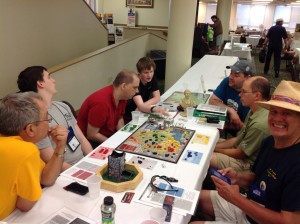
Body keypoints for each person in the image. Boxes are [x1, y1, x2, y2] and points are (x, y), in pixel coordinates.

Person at [190, 80, 300, 224]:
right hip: (249, 207)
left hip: (254, 214)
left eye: (286, 113)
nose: (277, 118)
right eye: (273, 111)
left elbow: (288, 221)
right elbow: (256, 178)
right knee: (194, 199)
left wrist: (236, 199)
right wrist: (238, 177)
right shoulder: (269, 142)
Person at [0, 92, 67, 219]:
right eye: (47, 118)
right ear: (30, 129)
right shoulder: (25, 151)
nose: (50, 123)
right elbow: (25, 205)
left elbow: (46, 178)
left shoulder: (14, 144)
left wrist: (60, 146)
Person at [17, 66, 93, 171]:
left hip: (84, 163)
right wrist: (79, 173)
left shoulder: (63, 106)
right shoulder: (36, 119)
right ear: (40, 83)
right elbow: (50, 160)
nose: (54, 80)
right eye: (49, 77)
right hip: (65, 173)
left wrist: (93, 160)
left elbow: (82, 139)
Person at [210, 76, 270, 171]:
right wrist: (211, 146)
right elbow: (239, 139)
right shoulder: (254, 110)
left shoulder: (259, 124)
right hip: (240, 150)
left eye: (244, 92)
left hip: (247, 164)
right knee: (208, 140)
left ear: (257, 95)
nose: (239, 95)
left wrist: (210, 149)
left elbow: (239, 153)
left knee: (204, 157)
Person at [77, 69, 140, 148]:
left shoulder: (123, 96)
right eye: (135, 87)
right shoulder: (101, 102)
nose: (137, 91)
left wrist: (124, 136)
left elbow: (119, 118)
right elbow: (92, 135)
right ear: (124, 86)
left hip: (108, 135)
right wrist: (115, 144)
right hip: (89, 142)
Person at [209, 60, 253, 134]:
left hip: (243, 132)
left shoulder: (252, 95)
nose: (231, 77)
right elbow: (212, 100)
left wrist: (225, 126)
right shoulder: (227, 81)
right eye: (231, 73)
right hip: (228, 123)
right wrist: (231, 111)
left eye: (236, 75)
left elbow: (249, 129)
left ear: (248, 78)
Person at [124, 57, 168, 124]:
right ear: (139, 73)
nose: (149, 75)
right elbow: (140, 105)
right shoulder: (135, 82)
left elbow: (157, 97)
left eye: (151, 71)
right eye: (146, 72)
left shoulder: (152, 78)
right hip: (130, 115)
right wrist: (141, 107)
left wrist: (141, 106)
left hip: (142, 110)